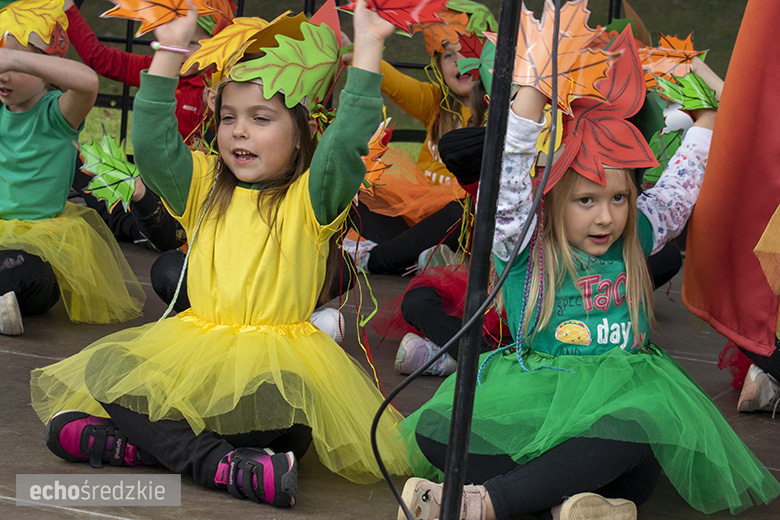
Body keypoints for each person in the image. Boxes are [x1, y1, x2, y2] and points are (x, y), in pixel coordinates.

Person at [30, 0, 410, 507]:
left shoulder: (312, 197)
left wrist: (368, 47)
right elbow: (151, 142)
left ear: (302, 136)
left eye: (261, 118)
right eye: (228, 116)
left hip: (276, 382)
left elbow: (347, 141)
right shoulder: (205, 183)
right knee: (108, 371)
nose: (239, 131)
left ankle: (150, 448)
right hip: (196, 359)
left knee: (283, 424)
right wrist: (170, 48)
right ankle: (223, 466)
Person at [396, 28, 779, 520]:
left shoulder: (634, 234)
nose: (605, 217)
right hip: (538, 393)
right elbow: (509, 179)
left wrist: (705, 122)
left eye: (618, 198)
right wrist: (532, 89)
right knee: (435, 431)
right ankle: (575, 505)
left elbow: (681, 188)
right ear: (552, 200)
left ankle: (487, 503)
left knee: (639, 427)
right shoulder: (524, 241)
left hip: (622, 410)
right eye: (586, 201)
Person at [0, 0, 145, 336]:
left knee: (31, 274)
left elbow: (87, 82)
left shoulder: (57, 115)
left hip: (40, 241)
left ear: (50, 69)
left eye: (17, 65)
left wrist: (19, 57)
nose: (4, 72)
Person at [344, 0, 496, 275]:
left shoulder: (500, 111)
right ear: (437, 63)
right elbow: (393, 82)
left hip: (459, 220)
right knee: (361, 183)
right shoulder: (434, 101)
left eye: (468, 52)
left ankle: (376, 259)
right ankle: (423, 258)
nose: (459, 62)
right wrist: (360, 50)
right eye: (449, 55)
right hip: (412, 216)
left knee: (464, 212)